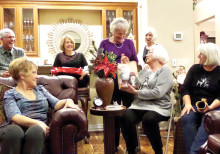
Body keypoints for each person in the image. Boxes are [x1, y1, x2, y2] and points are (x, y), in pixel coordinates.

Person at [0, 57, 82, 154]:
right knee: (14, 131)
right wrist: (38, 123)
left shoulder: (40, 90)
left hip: (37, 129)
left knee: (35, 131)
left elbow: (56, 104)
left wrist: (68, 100)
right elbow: (14, 117)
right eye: (34, 72)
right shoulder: (10, 94)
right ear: (22, 75)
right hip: (17, 127)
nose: (37, 76)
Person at [120, 45, 173, 154]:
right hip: (140, 105)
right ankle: (132, 149)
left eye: (150, 52)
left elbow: (158, 93)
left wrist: (136, 93)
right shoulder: (144, 71)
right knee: (124, 116)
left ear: (158, 56)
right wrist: (127, 67)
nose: (146, 54)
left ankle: (158, 151)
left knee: (148, 119)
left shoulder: (165, 71)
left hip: (159, 107)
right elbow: (134, 85)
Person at [99, 17, 138, 151]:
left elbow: (135, 62)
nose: (122, 36)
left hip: (127, 84)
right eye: (119, 33)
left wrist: (127, 61)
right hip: (110, 84)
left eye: (124, 33)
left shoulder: (129, 43)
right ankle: (113, 145)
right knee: (113, 115)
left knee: (128, 115)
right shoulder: (104, 43)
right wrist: (113, 64)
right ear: (112, 32)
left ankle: (132, 146)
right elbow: (98, 63)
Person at [181, 43, 220, 154]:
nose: (198, 56)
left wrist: (210, 107)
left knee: (207, 121)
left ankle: (194, 152)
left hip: (213, 106)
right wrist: (187, 104)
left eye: (201, 54)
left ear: (209, 56)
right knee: (187, 118)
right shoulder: (194, 69)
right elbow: (185, 89)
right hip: (192, 103)